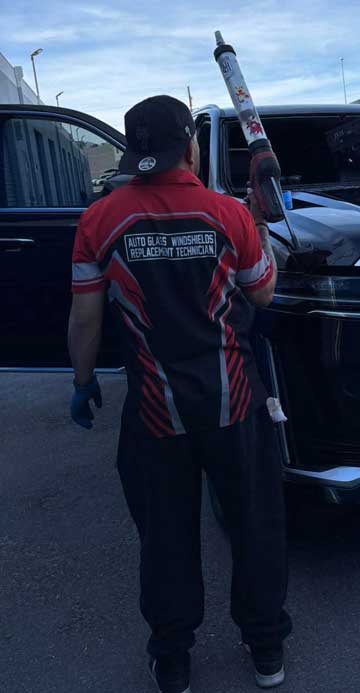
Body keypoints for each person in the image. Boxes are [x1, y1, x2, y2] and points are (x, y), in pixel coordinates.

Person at [67, 95, 291, 693]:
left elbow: (85, 321)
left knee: (165, 537)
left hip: (153, 412)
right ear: (190, 147)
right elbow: (264, 295)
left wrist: (82, 382)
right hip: (234, 403)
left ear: (136, 152)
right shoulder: (227, 214)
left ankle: (173, 663)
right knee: (254, 525)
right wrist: (261, 226)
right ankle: (266, 650)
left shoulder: (100, 219)